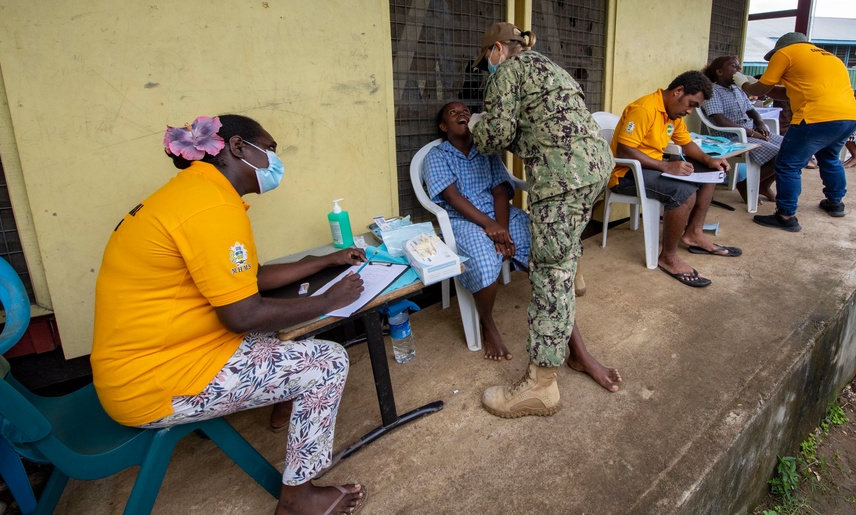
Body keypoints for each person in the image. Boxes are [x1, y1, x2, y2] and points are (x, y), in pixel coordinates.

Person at [91, 115, 368, 515]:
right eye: (270, 150)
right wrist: (330, 301)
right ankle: (298, 500)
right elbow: (242, 314)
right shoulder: (210, 207)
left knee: (295, 326)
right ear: (237, 147)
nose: (274, 161)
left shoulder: (193, 194)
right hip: (155, 380)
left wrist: (320, 262)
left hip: (157, 356)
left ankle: (287, 405)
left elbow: (246, 279)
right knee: (328, 363)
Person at [469, 22, 621, 419]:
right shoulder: (550, 69)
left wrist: (475, 125)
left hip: (562, 179)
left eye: (487, 58)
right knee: (561, 260)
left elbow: (494, 136)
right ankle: (572, 275)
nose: (488, 65)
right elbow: (543, 127)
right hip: (595, 168)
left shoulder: (508, 72)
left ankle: (541, 385)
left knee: (548, 277)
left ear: (498, 49)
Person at [423, 101, 620, 391]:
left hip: (499, 216)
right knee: (484, 258)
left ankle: (578, 351)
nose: (463, 114)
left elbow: (501, 189)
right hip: (463, 220)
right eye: (454, 113)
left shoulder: (486, 149)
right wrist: (489, 227)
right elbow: (453, 198)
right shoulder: (436, 156)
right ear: (443, 126)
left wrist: (501, 225)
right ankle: (487, 323)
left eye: (466, 111)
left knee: (548, 258)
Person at [609, 71, 739, 288]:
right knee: (683, 192)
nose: (689, 111)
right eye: (691, 104)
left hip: (649, 169)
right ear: (678, 91)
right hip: (625, 174)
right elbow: (625, 149)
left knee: (711, 175)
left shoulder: (672, 114)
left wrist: (710, 160)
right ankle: (668, 256)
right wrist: (665, 165)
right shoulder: (645, 109)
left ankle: (694, 234)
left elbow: (687, 144)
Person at [738, 32, 856, 231]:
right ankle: (835, 203)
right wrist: (759, 86)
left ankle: (786, 216)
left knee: (787, 165)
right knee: (829, 158)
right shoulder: (830, 58)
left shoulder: (786, 53)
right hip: (849, 116)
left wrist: (743, 82)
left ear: (781, 48)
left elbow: (760, 89)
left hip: (815, 117)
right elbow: (787, 93)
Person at [702, 55, 782, 203]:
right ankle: (745, 184)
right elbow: (719, 120)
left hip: (750, 132)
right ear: (719, 72)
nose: (739, 69)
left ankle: (763, 185)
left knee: (792, 149)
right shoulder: (712, 91)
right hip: (731, 138)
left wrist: (760, 123)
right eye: (734, 66)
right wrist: (752, 133)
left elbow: (751, 110)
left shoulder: (737, 89)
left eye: (739, 66)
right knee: (779, 155)